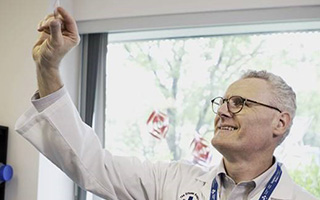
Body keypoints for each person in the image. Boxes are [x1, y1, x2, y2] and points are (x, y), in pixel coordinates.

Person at [15, 7, 318, 200]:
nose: (223, 110)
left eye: (240, 103)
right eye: (223, 101)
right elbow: (91, 163)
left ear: (280, 122)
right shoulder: (171, 181)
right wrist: (48, 68)